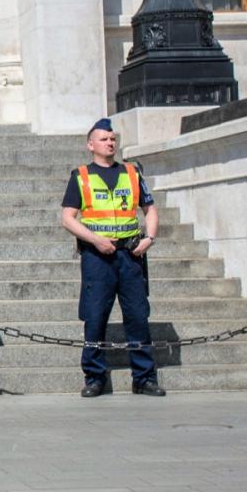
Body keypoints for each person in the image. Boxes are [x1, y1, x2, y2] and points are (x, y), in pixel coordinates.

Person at [60, 118, 164, 398]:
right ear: (90, 144)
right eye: (104, 139)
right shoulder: (80, 175)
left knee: (138, 316)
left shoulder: (132, 173)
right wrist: (95, 240)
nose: (110, 143)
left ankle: (143, 378)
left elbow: (150, 209)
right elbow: (68, 218)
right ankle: (94, 377)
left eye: (113, 138)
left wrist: (149, 238)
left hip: (131, 254)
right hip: (97, 257)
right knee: (94, 317)